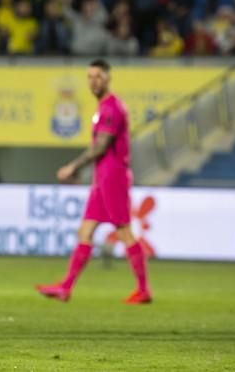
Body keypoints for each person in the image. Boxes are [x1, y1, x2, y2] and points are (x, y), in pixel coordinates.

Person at [36, 59, 152, 304]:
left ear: (108, 78)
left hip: (113, 177)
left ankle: (143, 289)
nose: (93, 81)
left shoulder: (112, 108)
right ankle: (66, 287)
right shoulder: (103, 108)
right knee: (85, 230)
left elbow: (101, 147)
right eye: (90, 76)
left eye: (98, 76)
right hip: (102, 178)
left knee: (124, 231)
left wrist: (72, 167)